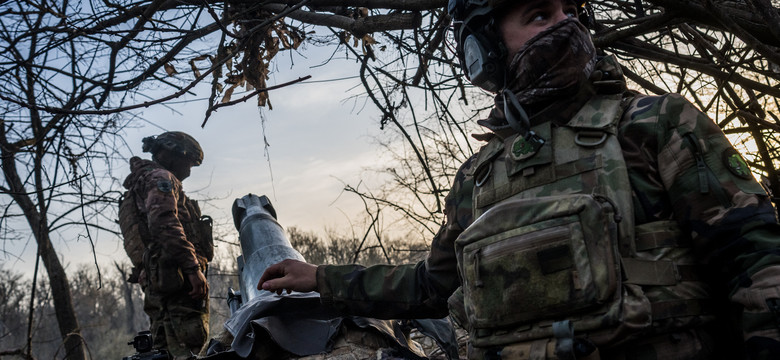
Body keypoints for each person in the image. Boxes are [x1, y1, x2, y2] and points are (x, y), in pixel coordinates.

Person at [257, 1, 780, 359]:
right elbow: (432, 287)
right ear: (485, 49)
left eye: (570, 12)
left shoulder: (655, 122)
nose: (565, 25)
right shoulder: (477, 177)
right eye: (538, 15)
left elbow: (756, 260)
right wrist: (320, 279)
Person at [121, 131, 212, 359]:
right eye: (188, 163)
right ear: (172, 155)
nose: (189, 171)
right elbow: (164, 222)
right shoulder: (161, 178)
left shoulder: (140, 184)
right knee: (187, 345)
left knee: (164, 349)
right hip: (177, 278)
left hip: (161, 280)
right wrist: (192, 269)